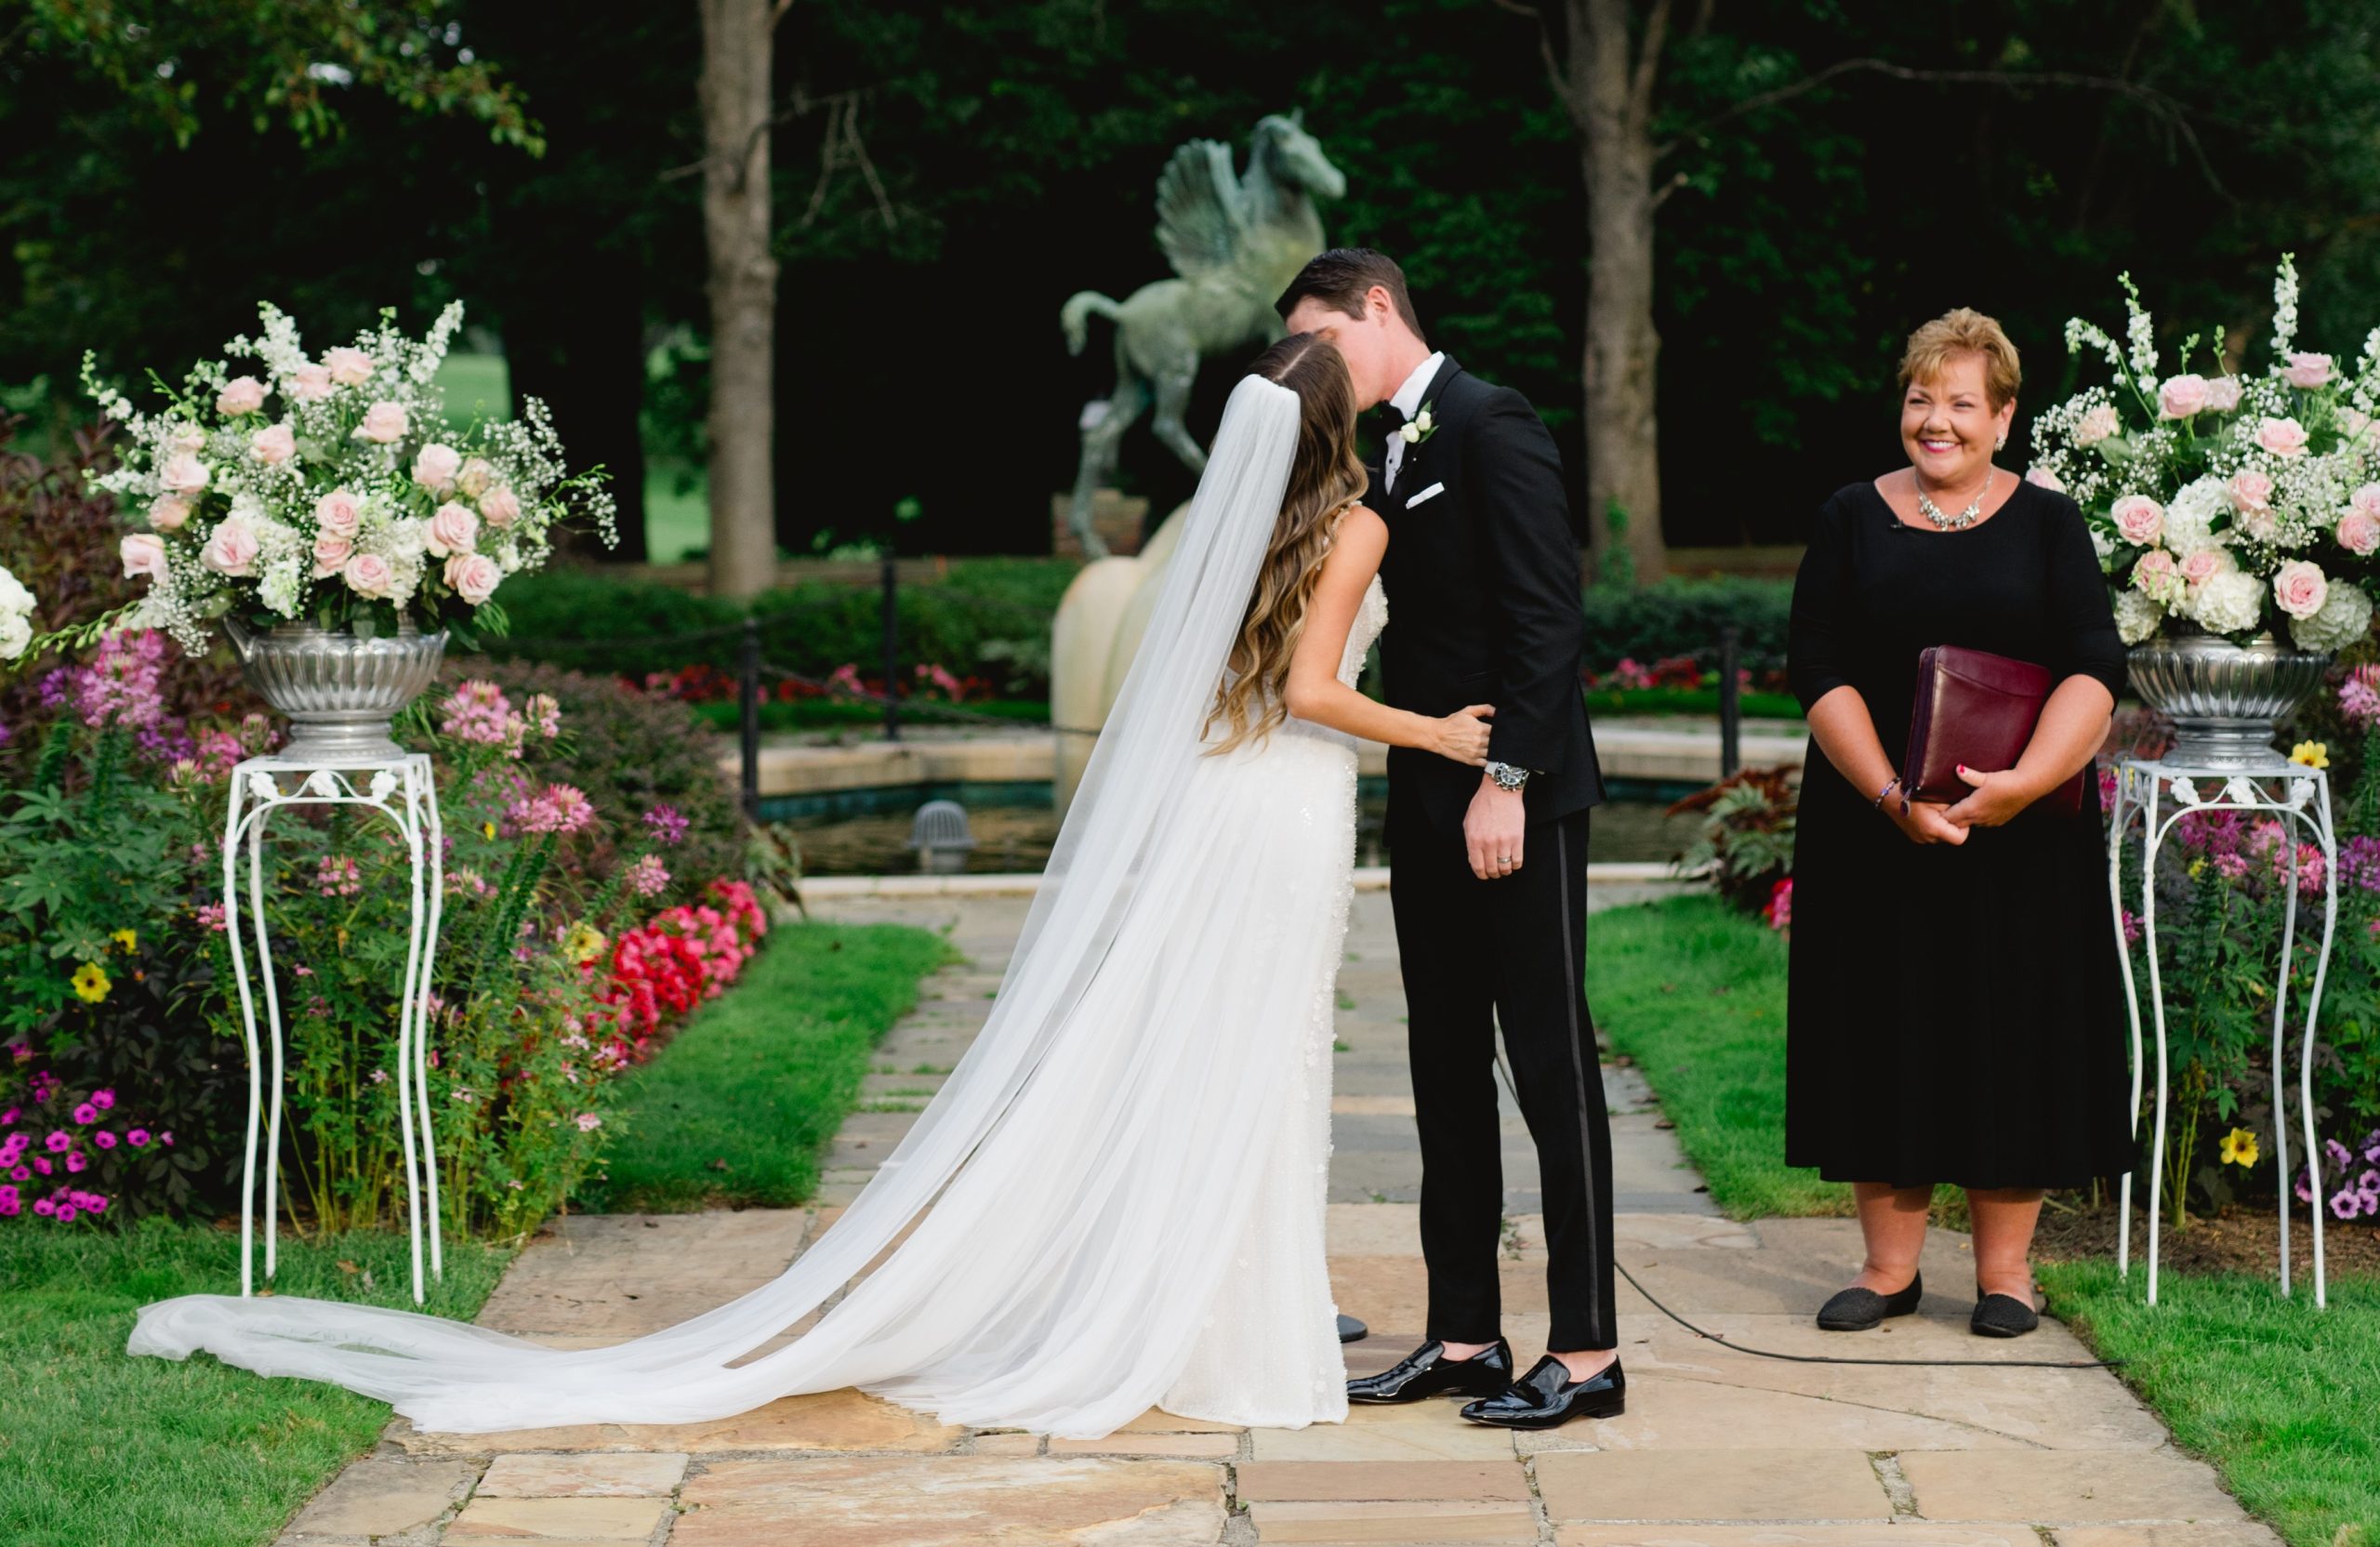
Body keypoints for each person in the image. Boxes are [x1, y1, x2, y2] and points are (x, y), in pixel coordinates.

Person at [126, 334, 1501, 1440]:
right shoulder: (1356, 526)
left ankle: (1208, 1303)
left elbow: (1240, 681)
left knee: (1209, 1051)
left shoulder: (1233, 526)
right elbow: (1318, 691)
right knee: (1258, 1055)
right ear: (1340, 425)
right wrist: (1438, 731)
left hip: (1227, 798)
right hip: (1284, 809)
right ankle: (1232, 1326)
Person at [1282, 248, 1624, 1430]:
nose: (1319, 367)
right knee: (1441, 1067)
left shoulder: (1491, 422)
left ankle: (1586, 1349)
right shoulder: (1385, 444)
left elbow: (1547, 618)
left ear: (1377, 307)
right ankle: (1468, 1334)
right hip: (1424, 801)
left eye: (1324, 339)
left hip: (1513, 800)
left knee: (1549, 1065)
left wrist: (1508, 780)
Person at [1785, 307, 2131, 1341]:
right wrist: (1892, 795)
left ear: (2004, 416)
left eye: (1961, 404)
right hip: (1872, 827)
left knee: (2007, 1028)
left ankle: (2006, 1275)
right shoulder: (1850, 514)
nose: (1936, 421)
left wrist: (2022, 783)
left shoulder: (2049, 523)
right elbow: (1815, 666)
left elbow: (2094, 666)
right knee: (1880, 1024)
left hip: (2017, 834)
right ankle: (1888, 1270)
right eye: (1920, 399)